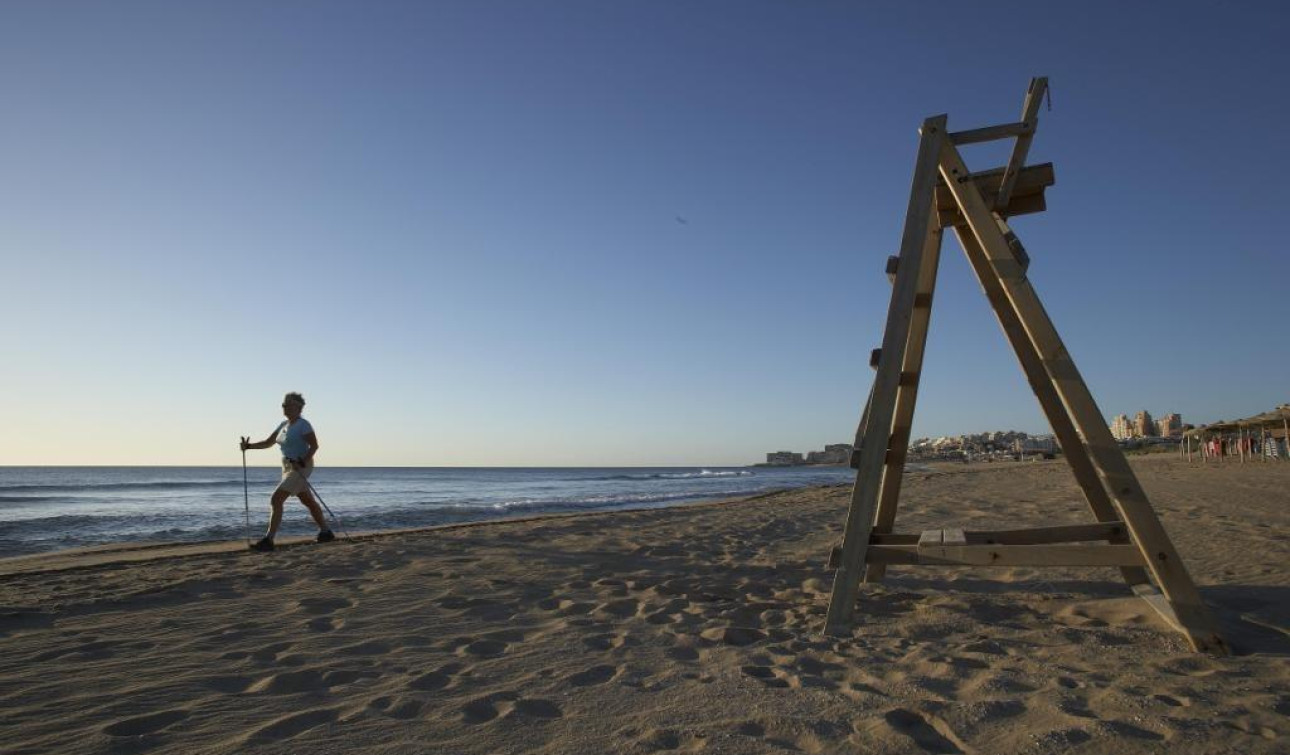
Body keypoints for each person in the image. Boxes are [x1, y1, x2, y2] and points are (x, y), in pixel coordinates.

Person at [240, 392, 334, 552]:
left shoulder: (303, 424)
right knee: (307, 501)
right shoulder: (283, 425)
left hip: (301, 465)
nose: (286, 408)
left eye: (289, 405)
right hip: (287, 467)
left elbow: (314, 446)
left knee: (276, 499)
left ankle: (269, 540)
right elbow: (268, 442)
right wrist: (249, 447)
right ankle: (326, 532)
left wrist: (302, 461)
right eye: (284, 405)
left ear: (299, 407)